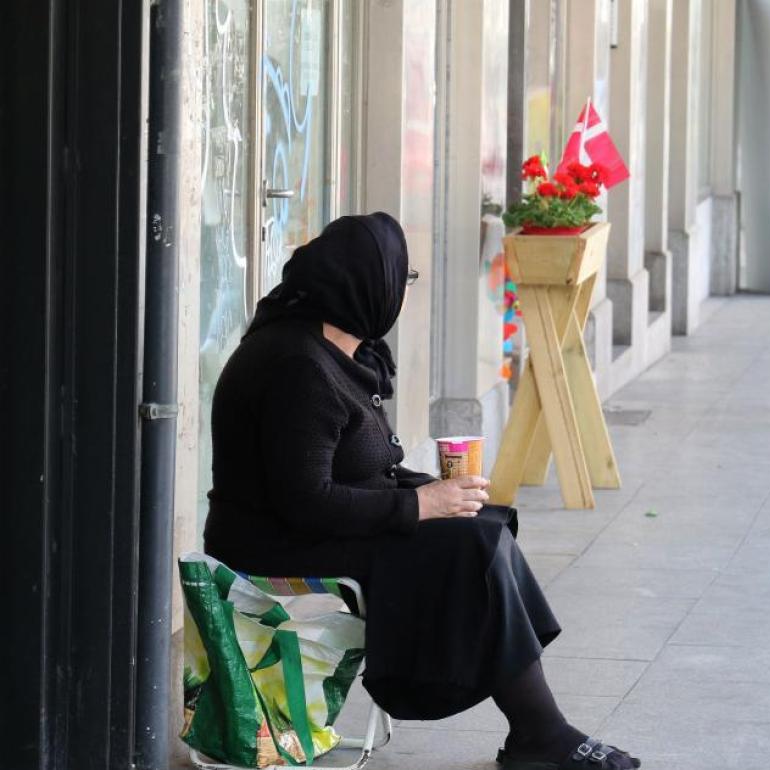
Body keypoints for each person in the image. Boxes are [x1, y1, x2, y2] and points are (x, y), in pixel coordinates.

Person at [202, 213, 641, 770]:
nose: (405, 291)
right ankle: (541, 732)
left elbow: (347, 473)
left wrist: (431, 493)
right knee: (467, 547)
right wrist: (420, 504)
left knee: (485, 525)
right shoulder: (296, 365)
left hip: (312, 527)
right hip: (275, 544)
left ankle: (537, 729)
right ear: (366, 283)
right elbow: (306, 501)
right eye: (401, 277)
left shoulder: (336, 347)